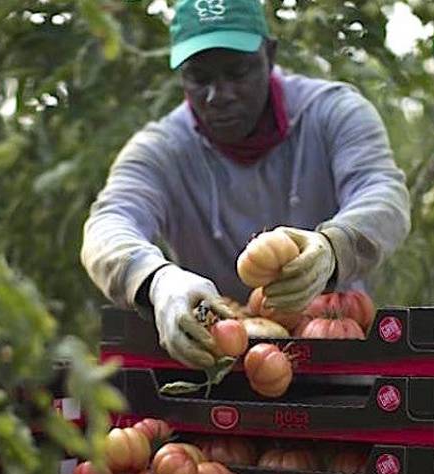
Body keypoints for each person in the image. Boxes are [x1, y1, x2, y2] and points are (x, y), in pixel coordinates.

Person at [80, 0, 410, 370]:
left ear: (269, 55)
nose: (218, 95)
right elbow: (108, 225)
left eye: (237, 72)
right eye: (199, 78)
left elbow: (383, 194)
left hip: (335, 358)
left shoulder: (334, 113)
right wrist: (157, 281)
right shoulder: (162, 151)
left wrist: (334, 247)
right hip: (218, 367)